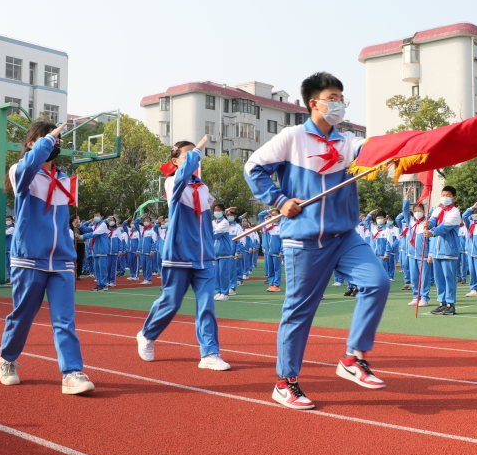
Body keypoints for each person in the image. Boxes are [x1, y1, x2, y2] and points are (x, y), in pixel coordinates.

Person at [244, 71, 389, 409]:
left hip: (344, 236)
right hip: (304, 240)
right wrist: (280, 201)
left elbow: (378, 150)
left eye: (341, 98)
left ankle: (353, 357)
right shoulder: (292, 137)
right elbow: (253, 168)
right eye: (333, 98)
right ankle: (285, 382)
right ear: (314, 103)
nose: (339, 104)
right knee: (299, 311)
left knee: (378, 282)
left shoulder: (348, 142)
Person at [0, 119, 94, 395]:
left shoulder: (64, 179)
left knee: (65, 320)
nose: (56, 143)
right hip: (30, 258)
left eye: (58, 140)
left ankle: (72, 372)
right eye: (50, 139)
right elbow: (30, 164)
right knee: (23, 315)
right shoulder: (21, 172)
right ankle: (7, 359)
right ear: (33, 144)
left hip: (61, 259)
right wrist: (47, 140)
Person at [136, 137, 230, 370]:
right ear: (175, 160)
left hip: (204, 256)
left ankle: (209, 353)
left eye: (195, 156)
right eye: (187, 156)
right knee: (171, 302)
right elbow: (182, 176)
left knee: (207, 304)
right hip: (179, 253)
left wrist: (209, 241)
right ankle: (147, 334)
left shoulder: (203, 187)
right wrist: (196, 150)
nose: (194, 159)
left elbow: (205, 219)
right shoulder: (172, 183)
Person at [424, 185, 462, 315]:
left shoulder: (455, 212)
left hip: (448, 251)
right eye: (443, 195)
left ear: (454, 198)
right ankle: (442, 303)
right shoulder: (438, 209)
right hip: (436, 250)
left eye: (448, 196)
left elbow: (444, 228)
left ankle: (450, 304)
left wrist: (432, 232)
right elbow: (433, 220)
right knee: (439, 279)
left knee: (448, 278)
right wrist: (428, 223)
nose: (445, 198)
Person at [80, 211, 111, 291]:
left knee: (102, 269)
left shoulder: (103, 225)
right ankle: (99, 284)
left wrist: (81, 236)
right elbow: (86, 229)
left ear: (102, 216)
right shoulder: (95, 225)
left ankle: (104, 285)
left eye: (97, 215)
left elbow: (94, 234)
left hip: (102, 250)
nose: (95, 217)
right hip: (95, 250)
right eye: (94, 215)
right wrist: (79, 225)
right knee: (96, 269)